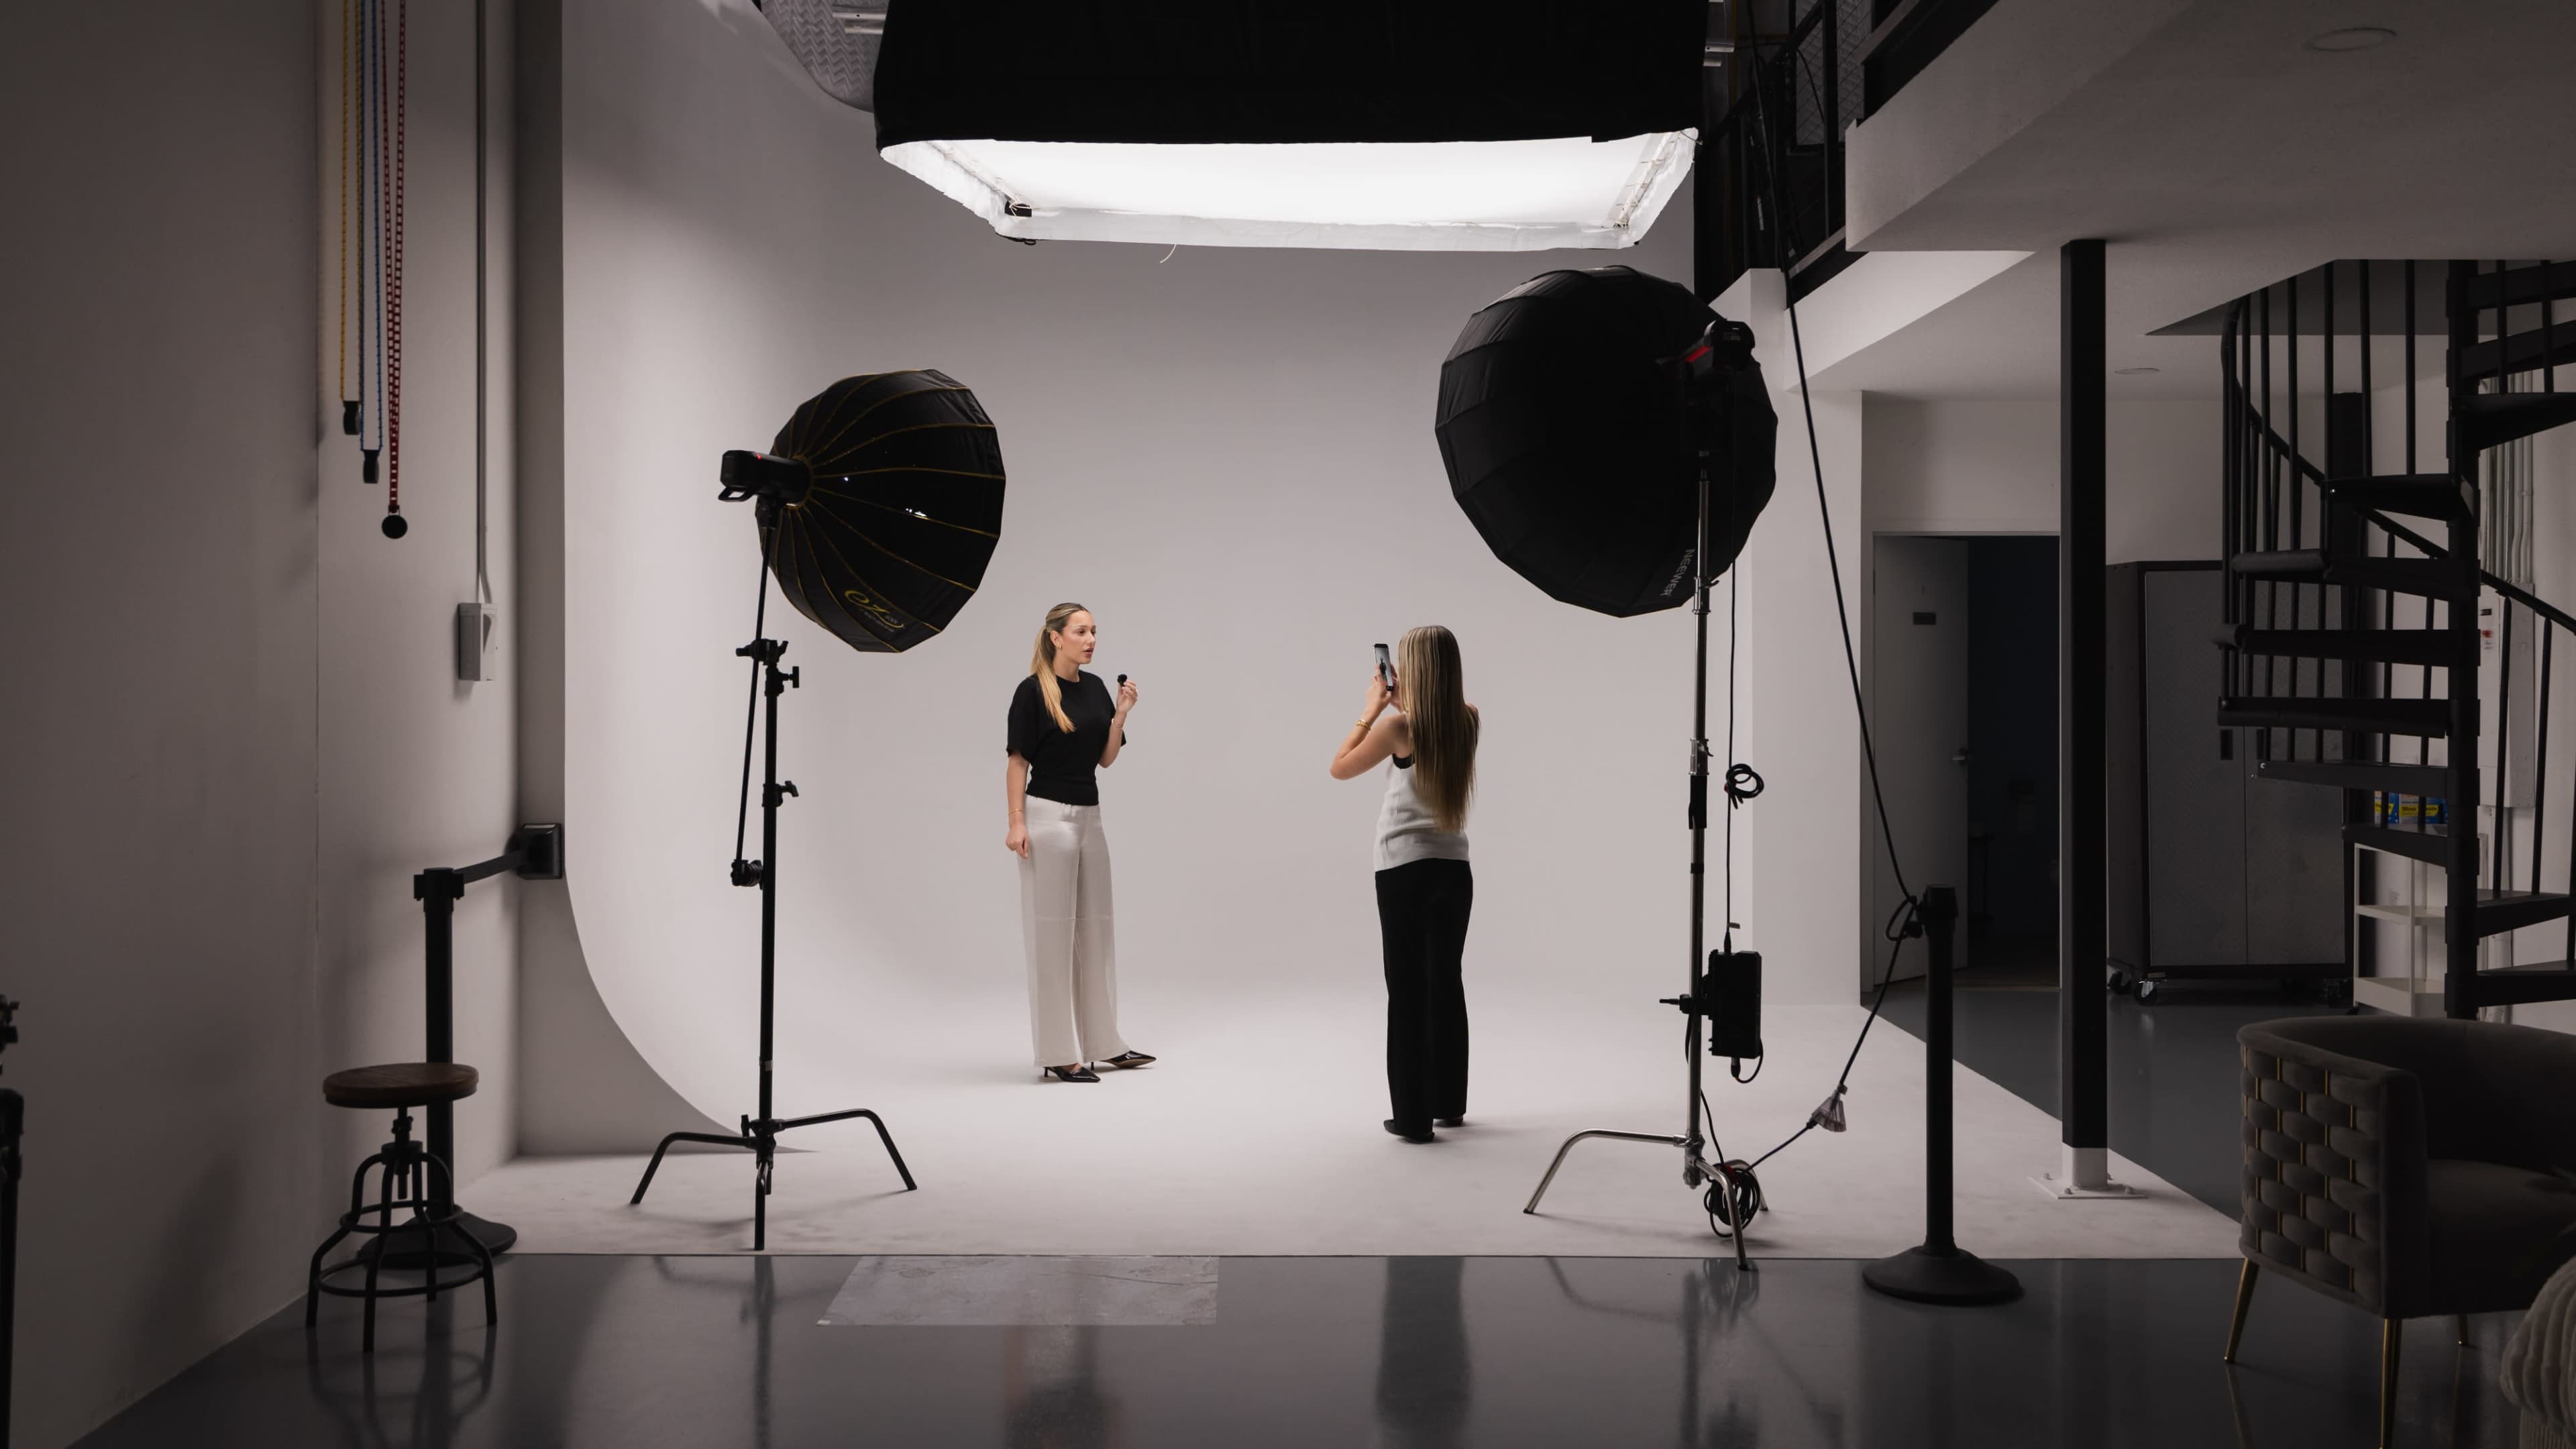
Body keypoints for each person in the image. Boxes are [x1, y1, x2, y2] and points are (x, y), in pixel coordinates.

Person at [1329, 626, 1477, 1142]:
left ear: (1411, 669)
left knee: (1408, 991)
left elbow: (1339, 768)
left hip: (1404, 870)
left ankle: (1413, 1119)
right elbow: (1437, 716)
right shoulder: (1468, 719)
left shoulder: (1398, 728)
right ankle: (1448, 1104)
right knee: (1446, 982)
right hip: (1454, 869)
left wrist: (1372, 706)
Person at [1006, 602, 1155, 1083]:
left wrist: (1122, 715)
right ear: (1056, 638)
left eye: (1094, 632)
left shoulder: (1094, 688)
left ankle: (1104, 1043)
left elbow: (1106, 760)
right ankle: (1056, 1051)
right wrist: (1016, 823)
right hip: (1047, 816)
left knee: (1096, 928)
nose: (1091, 640)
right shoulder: (1032, 693)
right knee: (1051, 934)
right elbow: (1017, 763)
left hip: (1090, 815)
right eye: (1081, 631)